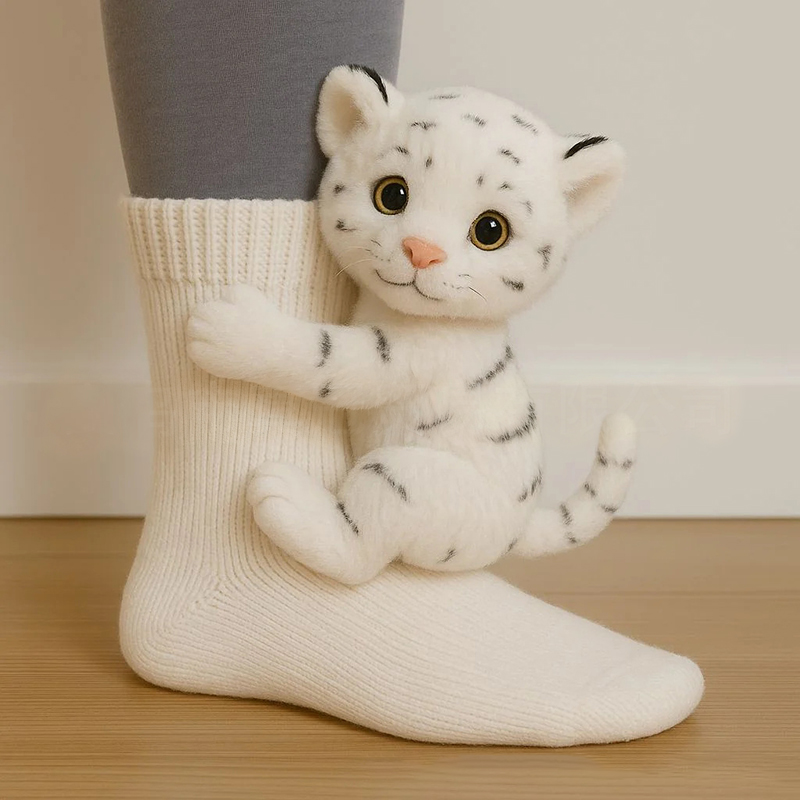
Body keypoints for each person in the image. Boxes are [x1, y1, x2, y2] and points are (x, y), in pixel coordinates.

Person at [101, 0, 702, 745]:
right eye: (395, 196)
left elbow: (354, 367)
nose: (422, 250)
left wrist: (267, 342)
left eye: (488, 229)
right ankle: (228, 544)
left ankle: (282, 545)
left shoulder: (436, 339)